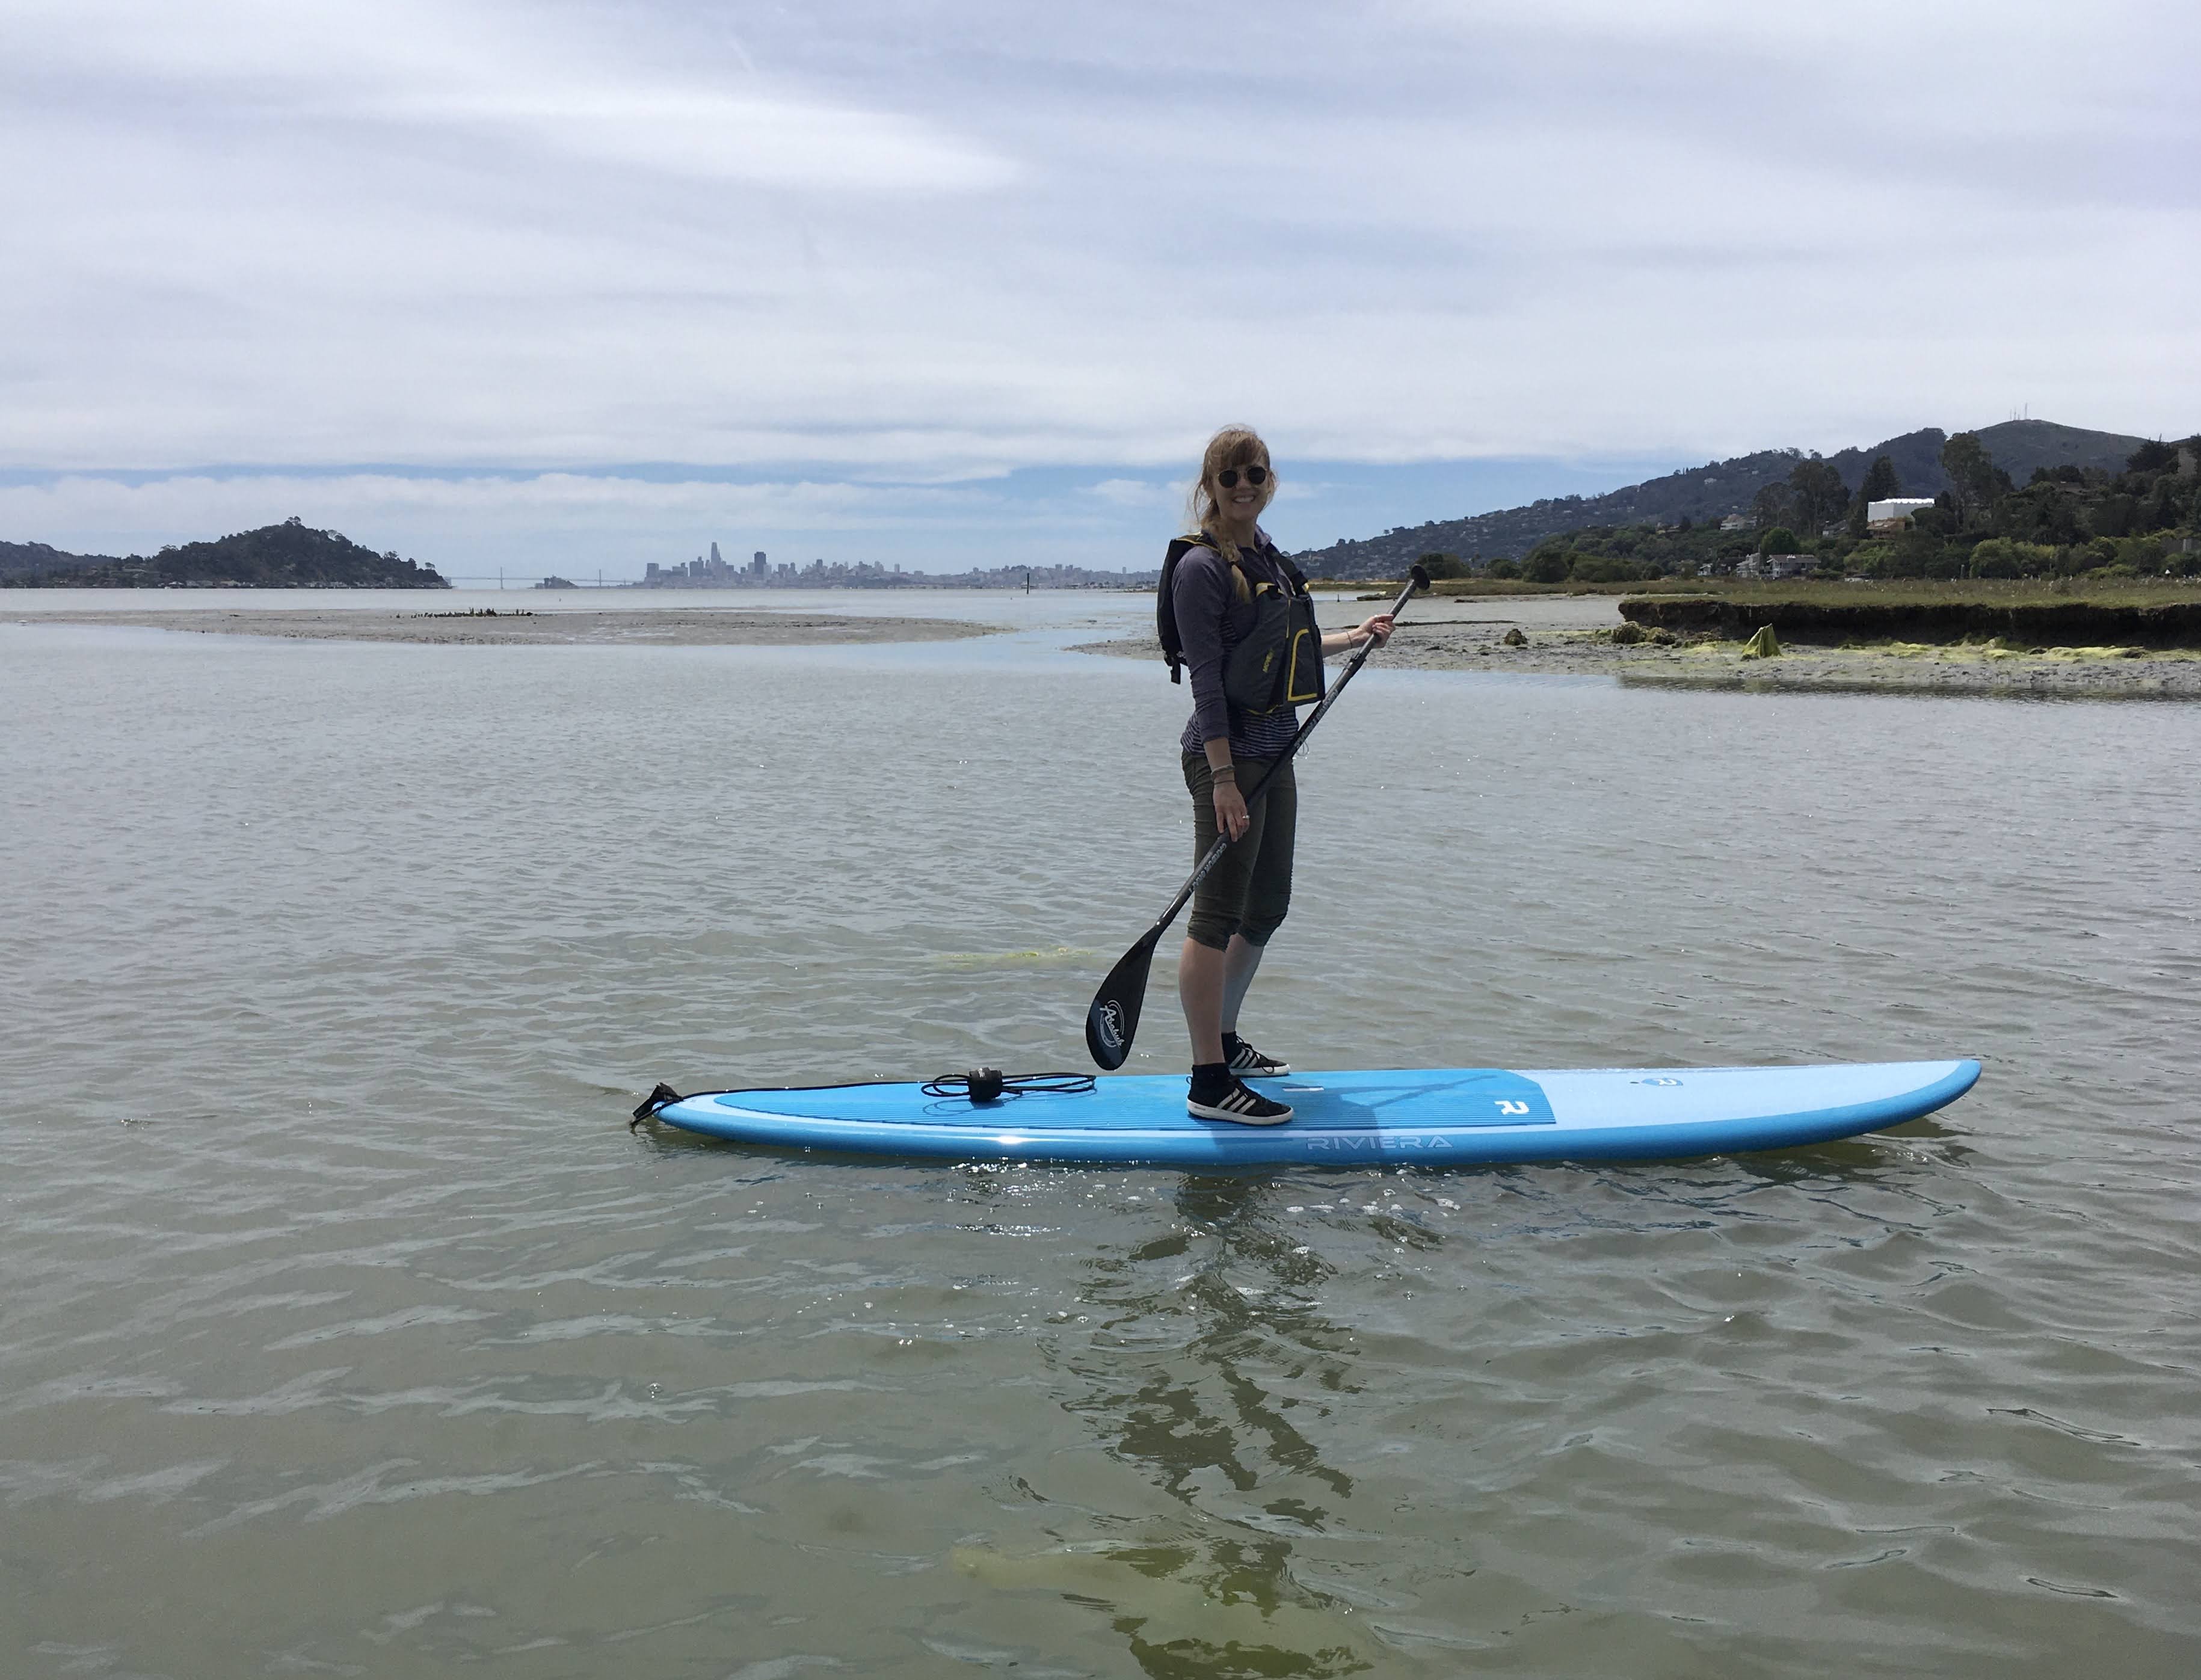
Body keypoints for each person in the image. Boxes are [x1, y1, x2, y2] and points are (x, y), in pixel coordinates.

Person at [1170, 426, 1392, 1124]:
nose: (1243, 485)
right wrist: (1224, 777)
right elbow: (1207, 681)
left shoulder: (1271, 559)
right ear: (1210, 485)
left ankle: (1227, 1044)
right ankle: (1208, 1082)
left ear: (1269, 482)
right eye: (1229, 475)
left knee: (1265, 908)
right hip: (1227, 760)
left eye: (1254, 474)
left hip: (1278, 749)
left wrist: (1352, 637)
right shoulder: (1200, 569)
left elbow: (1284, 652)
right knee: (1214, 919)